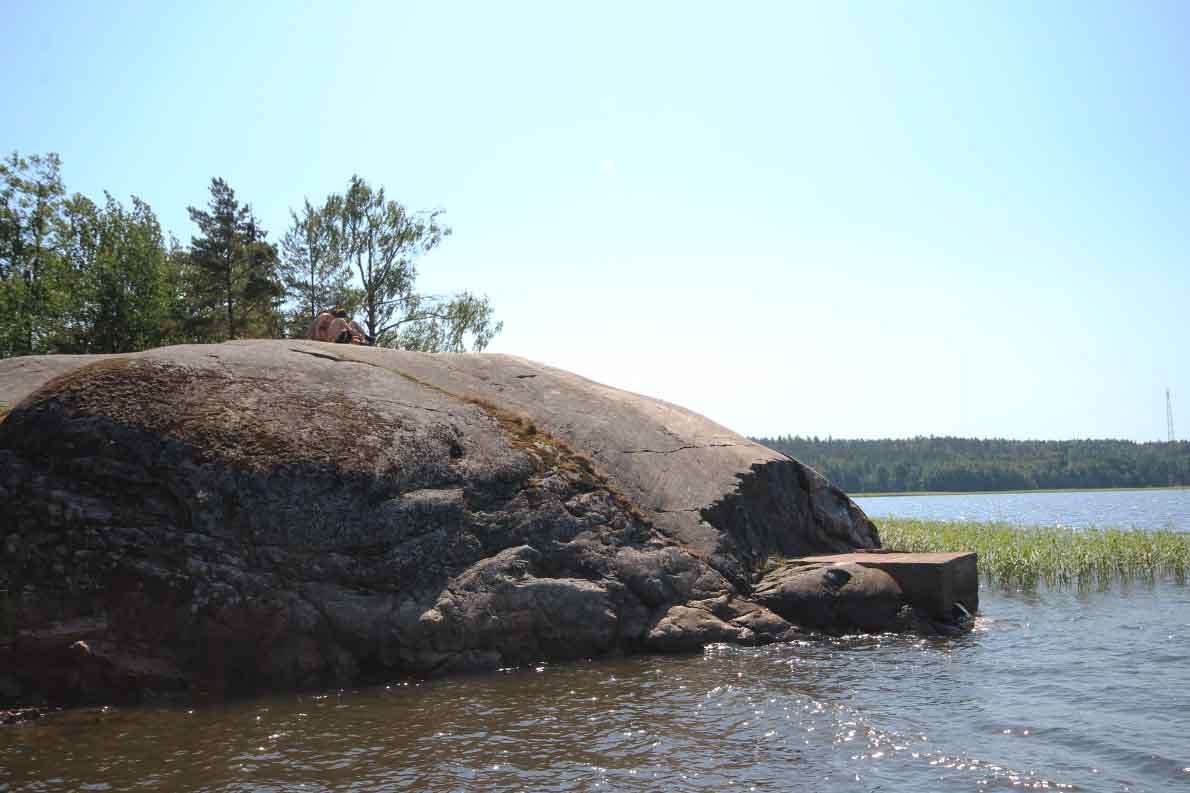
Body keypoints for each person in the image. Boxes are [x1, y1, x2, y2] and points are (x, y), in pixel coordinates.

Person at [304, 308, 371, 345]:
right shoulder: (325, 315)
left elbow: (330, 330)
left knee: (353, 322)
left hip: (331, 337)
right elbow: (317, 326)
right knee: (341, 321)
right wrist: (317, 338)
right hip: (319, 337)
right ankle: (358, 336)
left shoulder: (332, 322)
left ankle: (365, 337)